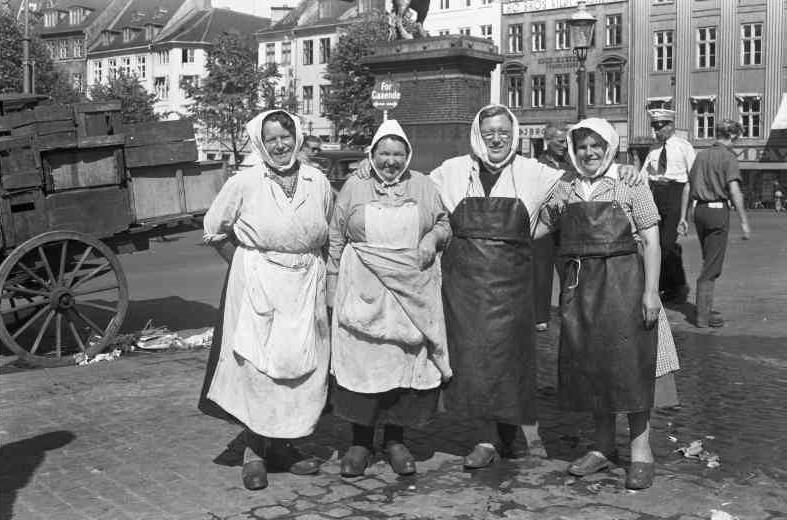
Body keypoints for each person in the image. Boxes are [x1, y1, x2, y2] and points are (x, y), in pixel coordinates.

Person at [354, 105, 644, 468]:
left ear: (515, 134)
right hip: (465, 285)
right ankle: (486, 439)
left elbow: (581, 180)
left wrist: (622, 169)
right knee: (472, 361)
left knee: (509, 361)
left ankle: (510, 430)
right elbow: (413, 185)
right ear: (478, 134)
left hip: (513, 285)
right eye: (489, 131)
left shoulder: (537, 173)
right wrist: (370, 172)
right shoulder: (451, 171)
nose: (496, 138)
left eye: (504, 132)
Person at [200, 109, 333, 490]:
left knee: (300, 366)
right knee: (258, 367)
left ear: (298, 138)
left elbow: (324, 230)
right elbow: (214, 229)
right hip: (258, 281)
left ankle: (284, 447)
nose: (280, 144)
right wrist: (245, 265)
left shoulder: (317, 180)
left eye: (286, 136)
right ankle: (254, 452)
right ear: (260, 142)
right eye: (271, 138)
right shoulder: (244, 182)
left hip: (305, 283)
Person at [538, 118, 667, 490]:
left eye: (596, 145)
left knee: (631, 366)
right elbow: (540, 228)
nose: (589, 152)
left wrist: (651, 292)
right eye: (582, 146)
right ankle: (603, 446)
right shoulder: (566, 185)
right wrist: (545, 207)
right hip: (580, 287)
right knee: (592, 365)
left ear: (609, 146)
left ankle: (642, 451)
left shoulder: (630, 182)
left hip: (625, 282)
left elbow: (652, 239)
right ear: (573, 150)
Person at [327, 119, 453, 478]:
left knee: (403, 363)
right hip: (363, 287)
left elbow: (444, 223)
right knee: (364, 364)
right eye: (384, 153)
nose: (391, 161)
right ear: (373, 153)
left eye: (398, 154)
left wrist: (432, 239)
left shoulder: (424, 185)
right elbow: (336, 237)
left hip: (410, 292)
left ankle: (396, 440)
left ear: (407, 155)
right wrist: (332, 287)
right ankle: (360, 442)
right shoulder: (354, 185)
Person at [681, 119, 751, 328]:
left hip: (699, 210)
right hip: (718, 211)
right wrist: (744, 221)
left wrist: (683, 217)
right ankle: (702, 316)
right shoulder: (728, 158)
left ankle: (705, 308)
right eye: (737, 139)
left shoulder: (701, 155)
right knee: (712, 267)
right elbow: (734, 191)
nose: (736, 143)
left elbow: (687, 187)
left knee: (708, 260)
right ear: (732, 136)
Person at [641, 109, 695, 304]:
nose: (656, 130)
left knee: (666, 245)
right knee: (656, 243)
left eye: (660, 126)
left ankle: (674, 286)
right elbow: (644, 176)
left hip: (676, 193)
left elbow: (692, 178)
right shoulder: (653, 149)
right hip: (657, 194)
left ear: (671, 125)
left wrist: (685, 213)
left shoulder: (684, 147)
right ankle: (668, 285)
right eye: (654, 126)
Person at [533, 123, 571, 331]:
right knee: (541, 272)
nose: (564, 145)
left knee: (568, 271)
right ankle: (540, 316)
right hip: (545, 224)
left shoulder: (571, 164)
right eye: (560, 141)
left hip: (566, 227)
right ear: (548, 141)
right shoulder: (538, 165)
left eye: (566, 141)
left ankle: (568, 311)